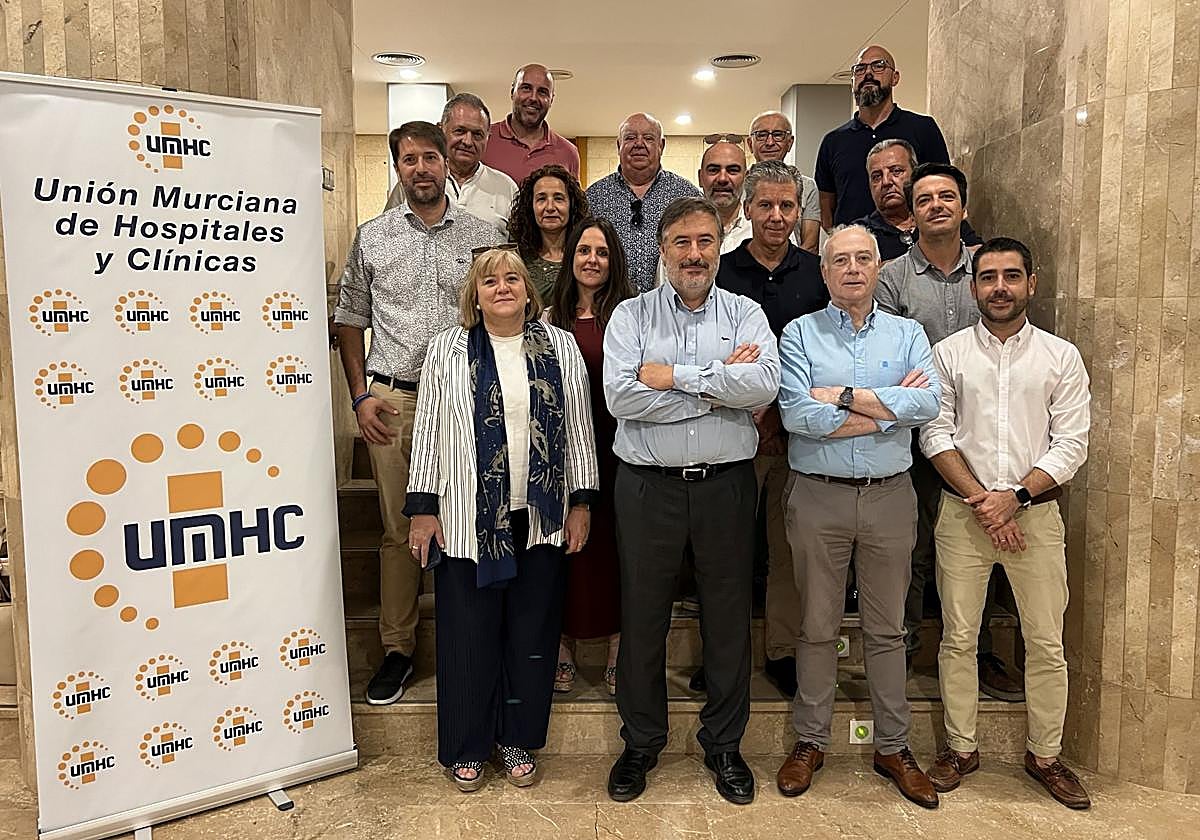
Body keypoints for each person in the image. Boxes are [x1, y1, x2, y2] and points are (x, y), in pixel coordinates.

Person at [603, 196, 780, 806]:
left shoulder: (746, 312)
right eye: (682, 242)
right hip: (647, 487)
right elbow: (621, 398)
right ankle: (641, 742)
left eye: (705, 240)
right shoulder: (630, 315)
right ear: (662, 249)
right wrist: (718, 385)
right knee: (642, 616)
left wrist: (673, 377)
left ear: (720, 245)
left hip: (726, 486)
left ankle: (725, 745)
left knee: (728, 619)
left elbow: (763, 384)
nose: (694, 253)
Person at [404, 247, 599, 791]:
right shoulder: (447, 350)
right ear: (475, 294)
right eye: (490, 281)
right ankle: (467, 744)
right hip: (468, 518)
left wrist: (581, 501)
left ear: (528, 290)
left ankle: (516, 739)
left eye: (512, 278)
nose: (503, 288)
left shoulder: (559, 346)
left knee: (531, 636)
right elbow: (429, 430)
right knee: (468, 637)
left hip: (540, 516)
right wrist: (423, 510)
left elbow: (579, 425)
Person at [920, 237, 1092, 810]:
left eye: (1011, 276)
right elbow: (934, 434)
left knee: (1044, 640)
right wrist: (985, 503)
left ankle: (1046, 755)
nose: (1000, 287)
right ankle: (960, 748)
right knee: (958, 636)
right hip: (963, 515)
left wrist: (1014, 498)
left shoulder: (1061, 357)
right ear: (973, 287)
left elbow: (1071, 444)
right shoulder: (947, 354)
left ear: (1030, 283)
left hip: (1035, 519)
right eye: (988, 277)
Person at [334, 121, 501, 707]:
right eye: (409, 160)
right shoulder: (373, 237)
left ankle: (469, 637)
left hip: (466, 397)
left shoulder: (484, 235)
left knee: (469, 519)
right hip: (395, 400)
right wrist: (360, 396)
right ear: (397, 167)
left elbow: (503, 311)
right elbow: (349, 319)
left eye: (431, 157)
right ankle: (397, 648)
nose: (421, 169)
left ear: (447, 162)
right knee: (399, 527)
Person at [775, 224, 940, 808]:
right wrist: (887, 410)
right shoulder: (799, 333)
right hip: (817, 495)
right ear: (824, 272)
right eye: (840, 260)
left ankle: (893, 746)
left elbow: (927, 403)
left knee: (888, 629)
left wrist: (842, 396)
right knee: (817, 626)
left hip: (890, 496)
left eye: (862, 259)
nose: (851, 268)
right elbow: (797, 416)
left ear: (878, 268)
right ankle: (810, 741)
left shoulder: (908, 333)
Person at [876, 162, 1022, 701]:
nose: (936, 206)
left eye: (946, 197)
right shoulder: (892, 277)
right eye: (924, 199)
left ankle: (980, 654)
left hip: (982, 435)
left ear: (964, 207)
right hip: (910, 435)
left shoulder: (987, 268)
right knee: (911, 549)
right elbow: (885, 357)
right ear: (910, 215)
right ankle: (905, 651)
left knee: (979, 544)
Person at [713, 160, 830, 701]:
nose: (777, 216)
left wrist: (782, 413)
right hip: (732, 433)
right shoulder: (721, 271)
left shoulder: (818, 273)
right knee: (728, 551)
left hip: (798, 437)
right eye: (766, 205)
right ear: (748, 208)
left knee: (788, 551)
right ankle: (725, 655)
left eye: (787, 206)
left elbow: (827, 354)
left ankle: (782, 650)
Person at [547, 217, 636, 696]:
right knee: (565, 548)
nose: (592, 260)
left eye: (602, 252)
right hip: (563, 453)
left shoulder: (631, 316)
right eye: (584, 251)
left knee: (615, 549)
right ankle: (562, 644)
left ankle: (619, 648)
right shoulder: (548, 317)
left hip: (619, 448)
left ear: (613, 260)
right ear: (571, 258)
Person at [815, 45, 950, 229]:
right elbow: (826, 209)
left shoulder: (923, 128)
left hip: (912, 241)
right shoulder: (833, 142)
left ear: (895, 78)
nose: (868, 73)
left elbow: (942, 187)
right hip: (854, 243)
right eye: (860, 69)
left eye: (878, 66)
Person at [586, 112, 701, 293]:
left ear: (661, 145)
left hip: (672, 305)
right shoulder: (594, 197)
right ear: (619, 145)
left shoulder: (687, 195)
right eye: (630, 138)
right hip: (608, 304)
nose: (639, 144)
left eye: (648, 138)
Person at [384, 94, 518, 236]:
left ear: (487, 138)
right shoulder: (414, 183)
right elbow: (387, 236)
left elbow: (519, 244)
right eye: (460, 131)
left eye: (477, 134)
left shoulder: (506, 187)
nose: (467, 141)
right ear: (441, 130)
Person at [854, 139, 981, 261]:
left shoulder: (937, 215)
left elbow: (979, 255)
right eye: (876, 176)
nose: (886, 182)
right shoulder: (859, 232)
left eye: (896, 171)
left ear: (914, 175)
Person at [482, 63, 580, 185]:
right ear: (512, 92)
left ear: (551, 100)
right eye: (526, 88)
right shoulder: (483, 139)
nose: (533, 98)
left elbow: (573, 197)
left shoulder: (568, 152)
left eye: (542, 92)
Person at [508, 164, 589, 300]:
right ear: (530, 206)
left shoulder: (588, 255)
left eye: (558, 198)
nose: (550, 207)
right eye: (541, 199)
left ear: (571, 205)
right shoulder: (516, 259)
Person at [747, 111, 820, 252]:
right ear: (750, 144)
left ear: (790, 143)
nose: (770, 142)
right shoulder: (737, 185)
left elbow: (810, 245)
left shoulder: (807, 187)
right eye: (761, 135)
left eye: (778, 135)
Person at [698, 138, 751, 252]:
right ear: (700, 178)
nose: (722, 179)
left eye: (733, 170)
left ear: (746, 178)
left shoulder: (761, 230)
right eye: (713, 170)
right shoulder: (681, 229)